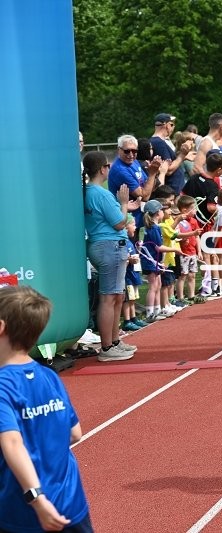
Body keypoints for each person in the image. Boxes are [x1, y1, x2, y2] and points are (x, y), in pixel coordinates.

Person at [0, 286, 94, 532]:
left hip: (25, 513)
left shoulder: (3, 386)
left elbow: (11, 442)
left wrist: (37, 498)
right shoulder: (49, 376)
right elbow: (75, 433)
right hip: (70, 503)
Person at [82, 151, 137, 361]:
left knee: (116, 295)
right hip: (109, 245)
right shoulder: (100, 193)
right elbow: (119, 222)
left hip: (103, 245)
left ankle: (113, 341)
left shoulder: (87, 191)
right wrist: (123, 203)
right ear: (102, 168)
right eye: (107, 166)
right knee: (109, 297)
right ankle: (107, 347)